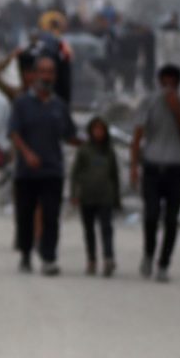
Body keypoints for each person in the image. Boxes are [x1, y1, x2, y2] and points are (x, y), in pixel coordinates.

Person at [8, 56, 75, 274]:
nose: (46, 76)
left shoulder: (60, 106)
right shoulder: (21, 103)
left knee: (51, 216)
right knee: (25, 216)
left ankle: (49, 257)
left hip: (52, 170)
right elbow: (14, 133)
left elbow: (70, 134)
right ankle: (26, 254)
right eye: (43, 72)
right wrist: (27, 154)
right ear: (34, 75)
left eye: (50, 72)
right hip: (26, 172)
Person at [131, 63, 180, 281]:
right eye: (164, 81)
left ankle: (164, 263)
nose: (167, 86)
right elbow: (138, 134)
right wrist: (133, 167)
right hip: (152, 167)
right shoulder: (149, 102)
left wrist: (177, 111)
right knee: (150, 215)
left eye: (172, 82)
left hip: (175, 168)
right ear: (159, 82)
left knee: (171, 220)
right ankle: (148, 254)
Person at [69, 116, 122, 277]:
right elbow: (75, 174)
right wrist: (74, 194)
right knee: (89, 230)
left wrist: (116, 198)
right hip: (87, 196)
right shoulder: (84, 150)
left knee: (106, 229)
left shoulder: (109, 151)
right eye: (95, 129)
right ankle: (91, 260)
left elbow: (114, 175)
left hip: (105, 196)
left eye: (101, 130)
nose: (98, 133)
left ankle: (108, 258)